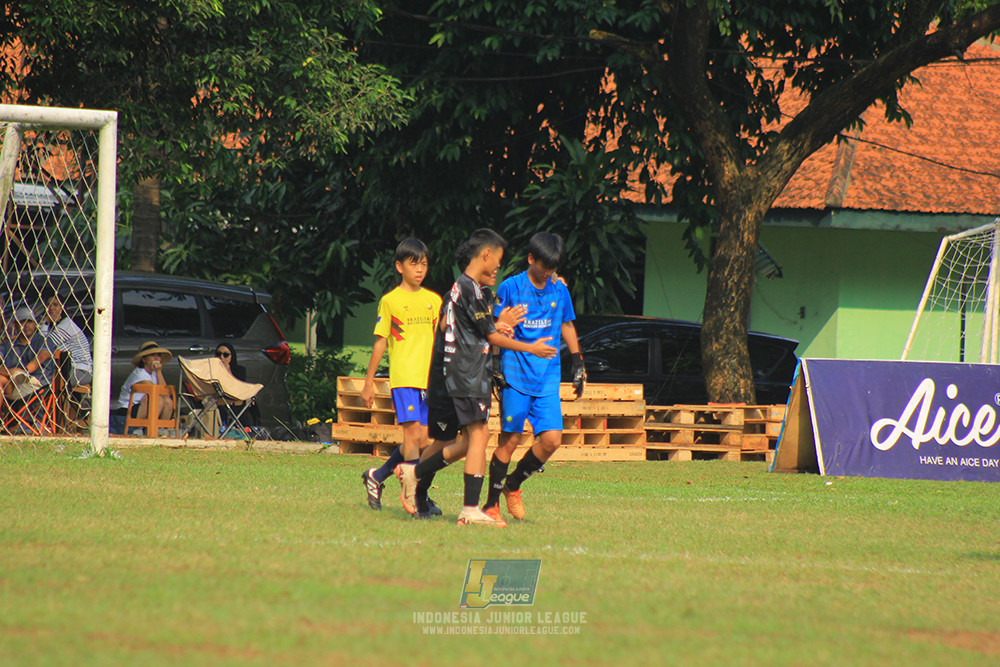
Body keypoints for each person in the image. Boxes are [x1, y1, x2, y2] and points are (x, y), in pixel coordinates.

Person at [398, 228, 556, 527]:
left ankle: (415, 475)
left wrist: (496, 327)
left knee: (466, 443)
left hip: (468, 373)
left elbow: (475, 329)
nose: (499, 265)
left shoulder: (472, 290)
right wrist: (530, 347)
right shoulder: (467, 289)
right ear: (486, 254)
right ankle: (467, 506)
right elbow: (489, 336)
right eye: (498, 259)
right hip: (465, 374)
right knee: (478, 436)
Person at [481, 232, 586, 526]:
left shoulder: (559, 289)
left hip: (547, 378)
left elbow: (567, 325)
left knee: (552, 440)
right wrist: (495, 364)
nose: (548, 272)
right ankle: (490, 505)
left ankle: (513, 484)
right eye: (544, 266)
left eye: (553, 267)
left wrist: (578, 361)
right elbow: (495, 326)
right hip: (515, 375)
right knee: (511, 439)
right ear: (531, 259)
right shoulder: (510, 287)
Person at [359, 239, 443, 513]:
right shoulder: (390, 301)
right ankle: (416, 497)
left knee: (422, 440)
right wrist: (369, 382)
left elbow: (441, 340)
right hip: (405, 378)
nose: (419, 269)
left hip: (428, 381)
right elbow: (381, 342)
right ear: (399, 266)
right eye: (413, 264)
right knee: (412, 438)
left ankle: (377, 475)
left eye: (424, 264)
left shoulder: (434, 301)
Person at [111, 341, 174, 429]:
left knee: (167, 401)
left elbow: (166, 394)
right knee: (158, 399)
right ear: (144, 359)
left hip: (142, 407)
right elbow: (155, 391)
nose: (156, 358)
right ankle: (150, 430)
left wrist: (159, 372)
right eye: (153, 355)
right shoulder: (139, 374)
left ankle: (161, 430)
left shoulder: (154, 373)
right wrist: (158, 372)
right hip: (128, 409)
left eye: (158, 355)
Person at [38, 294, 93, 389]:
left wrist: (45, 322)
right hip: (65, 368)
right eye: (48, 305)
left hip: (80, 371)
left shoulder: (66, 325)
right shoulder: (54, 326)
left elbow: (43, 344)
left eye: (55, 305)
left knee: (44, 379)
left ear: (62, 307)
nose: (51, 308)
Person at [0, 305, 54, 402]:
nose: (26, 325)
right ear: (15, 325)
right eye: (22, 322)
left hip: (37, 384)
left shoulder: (44, 341)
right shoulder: (8, 345)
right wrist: (7, 371)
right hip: (12, 381)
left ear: (35, 324)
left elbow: (42, 357)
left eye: (29, 321)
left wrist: (22, 371)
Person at [214, 342, 261, 427]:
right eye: (218, 354)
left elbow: (238, 386)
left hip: (235, 398)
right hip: (218, 399)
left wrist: (227, 371)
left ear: (232, 356)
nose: (221, 357)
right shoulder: (211, 371)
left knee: (248, 400)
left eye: (225, 355)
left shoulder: (239, 370)